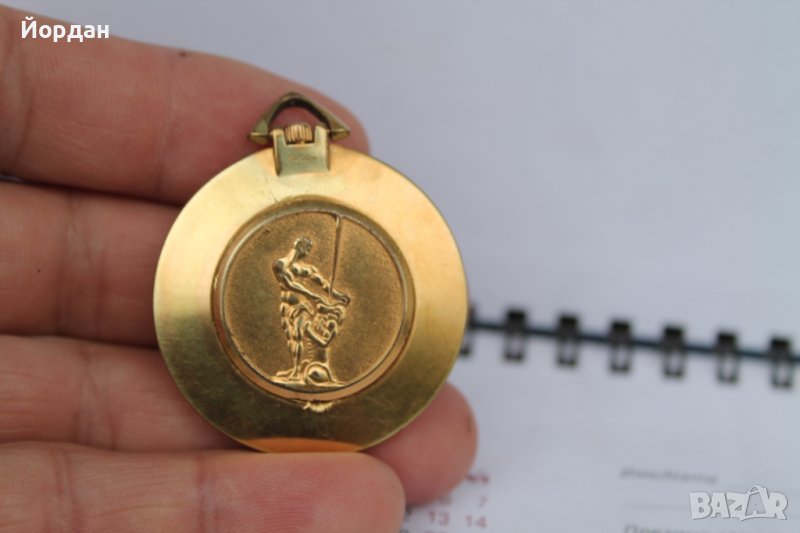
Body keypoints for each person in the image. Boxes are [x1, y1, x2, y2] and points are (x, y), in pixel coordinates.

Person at [0, 6, 477, 533]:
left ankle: (313, 368)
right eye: (301, 243)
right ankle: (304, 368)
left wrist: (333, 298)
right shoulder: (287, 264)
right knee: (302, 340)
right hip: (295, 314)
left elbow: (320, 287)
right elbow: (296, 282)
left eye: (305, 244)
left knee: (316, 343)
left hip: (314, 318)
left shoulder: (312, 269)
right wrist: (321, 297)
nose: (305, 248)